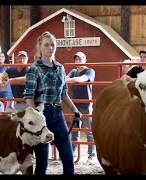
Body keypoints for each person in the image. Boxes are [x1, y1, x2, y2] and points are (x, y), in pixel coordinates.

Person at [24, 31, 82, 175]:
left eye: (52, 45)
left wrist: (75, 110)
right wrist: (37, 116)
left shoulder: (60, 68)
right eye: (46, 45)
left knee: (68, 157)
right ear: (40, 47)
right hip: (41, 115)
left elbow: (63, 94)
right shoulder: (34, 69)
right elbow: (29, 96)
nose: (50, 48)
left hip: (58, 114)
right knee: (42, 161)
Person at [66, 51, 96, 162]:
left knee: (88, 130)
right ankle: (73, 154)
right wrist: (66, 79)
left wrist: (65, 80)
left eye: (80, 58)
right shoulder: (73, 71)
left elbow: (81, 79)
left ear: (85, 60)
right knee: (75, 130)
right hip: (74, 104)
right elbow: (67, 77)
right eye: (76, 59)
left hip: (86, 104)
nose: (78, 60)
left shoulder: (90, 71)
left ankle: (91, 155)